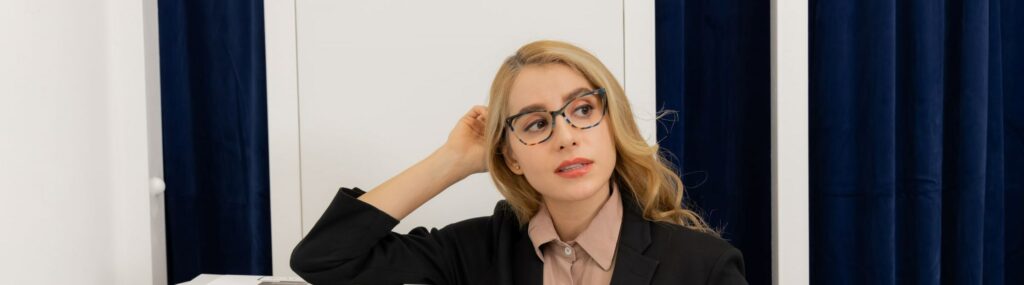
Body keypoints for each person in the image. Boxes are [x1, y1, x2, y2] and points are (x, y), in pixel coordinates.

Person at [290, 40, 747, 285]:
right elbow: (324, 260)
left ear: (614, 124)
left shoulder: (703, 266)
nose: (566, 137)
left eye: (583, 110)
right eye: (534, 124)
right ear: (511, 156)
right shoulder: (475, 252)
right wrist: (453, 159)